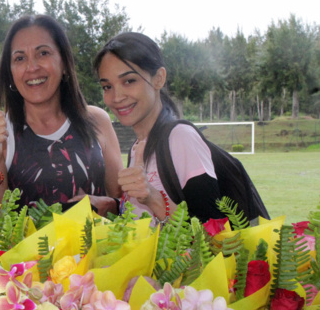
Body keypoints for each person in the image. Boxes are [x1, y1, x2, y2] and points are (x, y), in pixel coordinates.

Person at [0, 15, 123, 216]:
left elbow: (123, 202)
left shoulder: (97, 121)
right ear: (10, 72)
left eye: (43, 53)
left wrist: (111, 204)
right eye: (20, 58)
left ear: (63, 63)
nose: (32, 67)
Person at [93, 32, 228, 223]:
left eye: (129, 81)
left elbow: (213, 237)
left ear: (158, 78)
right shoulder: (138, 147)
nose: (116, 97)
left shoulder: (181, 139)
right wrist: (112, 205)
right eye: (107, 86)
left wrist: (152, 198)